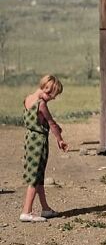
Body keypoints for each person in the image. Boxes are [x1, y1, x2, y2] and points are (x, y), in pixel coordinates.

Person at [20, 75, 69, 222]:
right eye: (53, 96)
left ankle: (45, 209)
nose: (53, 99)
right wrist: (60, 140)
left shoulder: (28, 99)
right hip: (39, 142)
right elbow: (51, 123)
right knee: (35, 177)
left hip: (29, 140)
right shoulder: (41, 104)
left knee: (39, 174)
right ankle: (26, 212)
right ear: (48, 90)